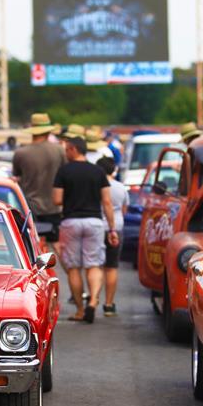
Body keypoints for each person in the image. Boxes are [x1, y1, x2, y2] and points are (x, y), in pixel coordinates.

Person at [53, 136, 119, 324]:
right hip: (94, 222)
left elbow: (57, 199)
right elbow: (106, 201)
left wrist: (72, 196)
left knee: (74, 268)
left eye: (67, 149)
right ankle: (93, 301)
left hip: (71, 221)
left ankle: (81, 310)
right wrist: (112, 229)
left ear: (73, 149)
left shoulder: (64, 171)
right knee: (94, 265)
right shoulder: (97, 171)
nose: (65, 153)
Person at [13, 113, 66, 248]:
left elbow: (17, 176)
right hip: (55, 206)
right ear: (48, 132)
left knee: (34, 245)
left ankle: (40, 269)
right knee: (56, 244)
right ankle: (70, 270)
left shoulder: (21, 153)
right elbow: (65, 174)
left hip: (30, 206)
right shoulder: (59, 150)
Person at [96, 157, 128, 316]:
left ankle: (93, 300)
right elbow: (124, 210)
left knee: (96, 267)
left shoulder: (95, 186)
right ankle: (109, 304)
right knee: (112, 266)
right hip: (116, 228)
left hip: (97, 228)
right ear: (114, 170)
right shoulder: (121, 187)